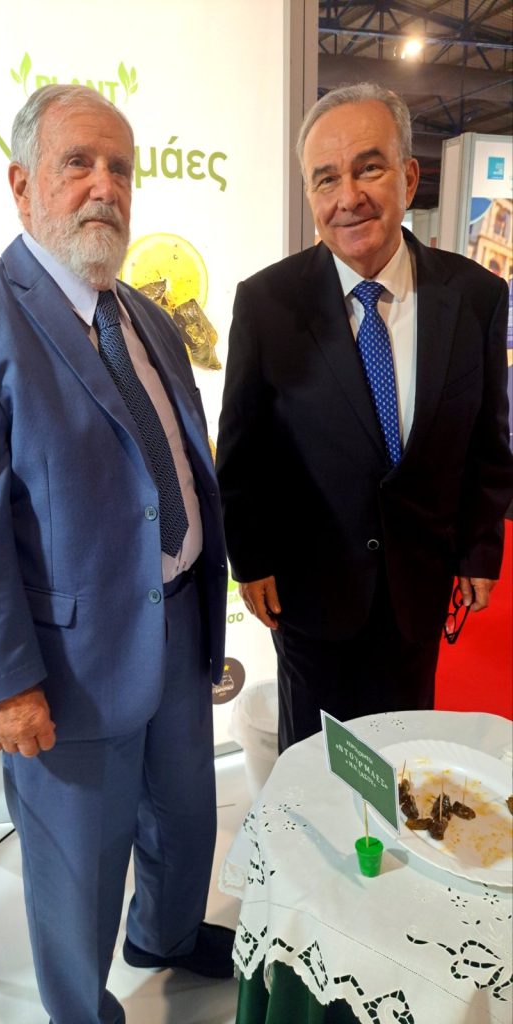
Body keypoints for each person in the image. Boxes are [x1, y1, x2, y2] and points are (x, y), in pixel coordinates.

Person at [0, 84, 232, 1024]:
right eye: (79, 164)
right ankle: (79, 1009)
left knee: (186, 818)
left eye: (121, 169)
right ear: (23, 185)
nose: (105, 186)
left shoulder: (143, 314)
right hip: (62, 671)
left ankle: (166, 937)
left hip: (177, 625)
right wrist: (2, 685)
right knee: (78, 869)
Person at [216, 81, 513, 753]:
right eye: (326, 178)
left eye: (368, 168)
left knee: (404, 756)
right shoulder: (267, 303)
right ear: (310, 196)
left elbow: (486, 441)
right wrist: (251, 560)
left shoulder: (475, 296)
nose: (347, 196)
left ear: (408, 177)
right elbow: (242, 450)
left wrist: (479, 549)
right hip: (309, 596)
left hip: (419, 588)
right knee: (312, 766)